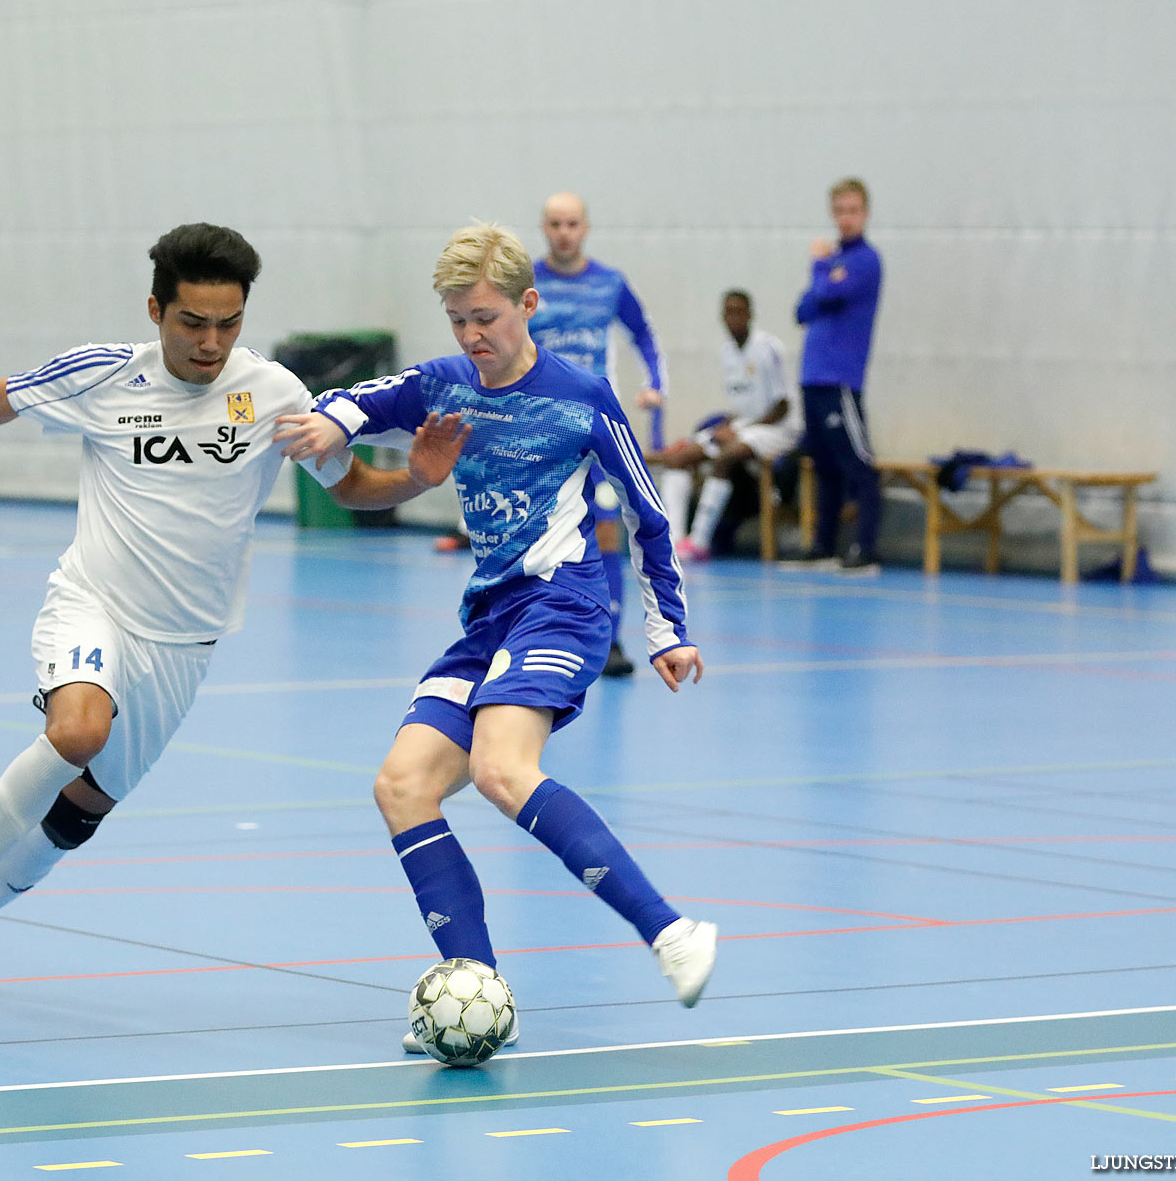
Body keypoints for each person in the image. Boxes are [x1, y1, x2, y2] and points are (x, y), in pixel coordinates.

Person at [0, 223, 470, 983]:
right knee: (78, 731)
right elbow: (0, 400)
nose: (210, 342)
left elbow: (350, 488)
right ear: (155, 311)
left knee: (79, 812)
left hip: (184, 645)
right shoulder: (105, 377)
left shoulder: (275, 394)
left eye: (228, 323)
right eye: (192, 323)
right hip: (95, 605)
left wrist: (418, 478)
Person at [274, 221, 719, 1053]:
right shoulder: (444, 383)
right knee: (403, 785)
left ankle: (671, 932)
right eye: (456, 320)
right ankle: (477, 988)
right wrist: (332, 425)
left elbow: (652, 515)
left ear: (527, 305)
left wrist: (667, 629)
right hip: (490, 617)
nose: (472, 335)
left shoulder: (582, 397)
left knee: (500, 768)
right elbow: (360, 401)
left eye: (485, 317)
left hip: (567, 602)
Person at [438, 191, 667, 679]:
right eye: (555, 224)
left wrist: (655, 384)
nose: (564, 232)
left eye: (572, 224)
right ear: (545, 230)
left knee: (607, 525)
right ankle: (517, 627)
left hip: (591, 426)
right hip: (538, 432)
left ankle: (611, 638)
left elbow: (644, 333)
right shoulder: (522, 286)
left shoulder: (609, 283)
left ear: (585, 228)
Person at [651, 289, 798, 561]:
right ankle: (673, 539)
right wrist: (728, 425)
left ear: (750, 315)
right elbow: (744, 404)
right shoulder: (727, 353)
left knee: (726, 456)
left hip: (778, 429)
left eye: (739, 311)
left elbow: (781, 408)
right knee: (679, 458)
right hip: (746, 426)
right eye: (729, 311)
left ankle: (699, 542)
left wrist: (739, 429)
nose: (734, 317)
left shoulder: (768, 348)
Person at [788, 177, 885, 573]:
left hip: (840, 377)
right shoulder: (834, 265)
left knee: (856, 463)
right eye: (840, 211)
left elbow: (825, 296)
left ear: (865, 214)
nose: (846, 219)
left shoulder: (864, 261)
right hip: (813, 376)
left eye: (853, 211)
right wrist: (825, 274)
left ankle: (866, 548)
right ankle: (823, 545)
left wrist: (819, 267)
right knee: (823, 465)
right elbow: (802, 309)